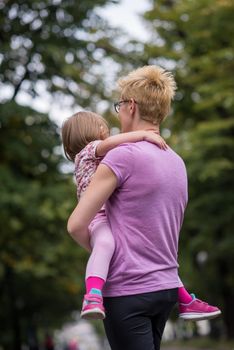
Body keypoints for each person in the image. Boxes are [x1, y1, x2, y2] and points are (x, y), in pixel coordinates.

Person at [66, 65, 221, 349]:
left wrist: (104, 252)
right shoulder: (176, 162)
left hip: (128, 291)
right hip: (166, 288)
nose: (117, 112)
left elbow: (76, 224)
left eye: (119, 105)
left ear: (131, 106)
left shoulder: (122, 156)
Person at [62, 111, 167, 319]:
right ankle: (92, 295)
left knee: (140, 247)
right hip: (98, 218)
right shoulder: (89, 150)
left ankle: (183, 297)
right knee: (106, 244)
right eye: (104, 128)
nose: (107, 132)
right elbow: (113, 143)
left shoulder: (91, 157)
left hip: (108, 216)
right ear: (97, 131)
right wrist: (144, 135)